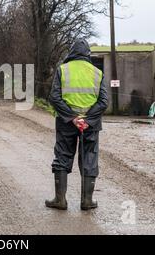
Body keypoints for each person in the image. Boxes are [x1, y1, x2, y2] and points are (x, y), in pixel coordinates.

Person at [45, 39, 108, 211]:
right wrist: (87, 120)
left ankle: (60, 200)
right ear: (88, 54)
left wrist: (73, 118)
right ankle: (87, 201)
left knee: (63, 156)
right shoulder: (97, 72)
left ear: (71, 52)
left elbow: (54, 97)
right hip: (91, 125)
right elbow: (103, 102)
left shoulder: (62, 70)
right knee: (89, 158)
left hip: (66, 123)